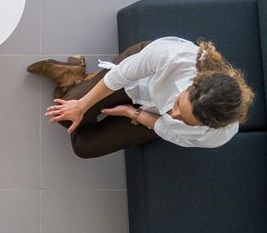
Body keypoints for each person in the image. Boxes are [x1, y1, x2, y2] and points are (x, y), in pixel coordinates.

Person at [27, 37, 254, 158]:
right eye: (177, 104)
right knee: (68, 115)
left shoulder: (217, 136)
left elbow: (167, 129)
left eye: (184, 120)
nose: (173, 115)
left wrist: (132, 113)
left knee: (84, 147)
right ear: (193, 83)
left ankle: (76, 79)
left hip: (149, 116)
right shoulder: (171, 56)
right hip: (137, 82)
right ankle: (74, 79)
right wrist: (82, 105)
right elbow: (120, 76)